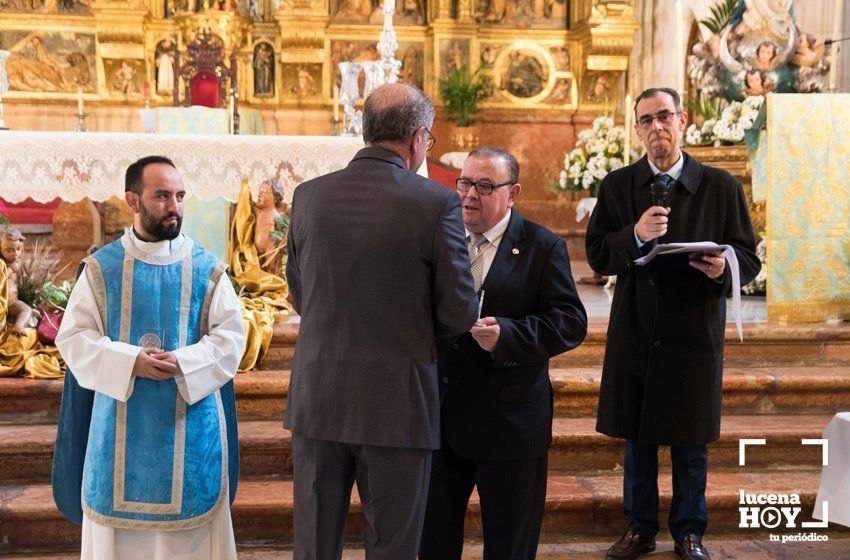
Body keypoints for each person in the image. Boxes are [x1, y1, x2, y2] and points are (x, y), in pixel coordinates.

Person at [285, 83, 479, 560]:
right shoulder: (435, 202)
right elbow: (459, 309)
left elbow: (300, 294)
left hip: (319, 397)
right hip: (398, 404)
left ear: (365, 131)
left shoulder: (308, 196)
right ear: (418, 138)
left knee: (313, 545)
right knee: (394, 547)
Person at [586, 87, 761, 560]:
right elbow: (598, 254)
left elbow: (748, 253)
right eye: (645, 120)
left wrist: (726, 268)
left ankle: (689, 531)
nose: (655, 127)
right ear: (637, 130)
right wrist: (635, 235)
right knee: (638, 440)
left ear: (682, 120)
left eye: (664, 116)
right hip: (638, 328)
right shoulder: (618, 186)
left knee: (690, 441)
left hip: (693, 330)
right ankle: (639, 528)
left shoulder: (721, 186)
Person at [52, 155, 246, 560]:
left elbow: (230, 339)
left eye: (179, 195)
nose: (174, 206)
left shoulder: (207, 269)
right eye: (161, 196)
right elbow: (73, 338)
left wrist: (184, 363)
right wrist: (130, 362)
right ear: (132, 201)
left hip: (188, 426)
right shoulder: (102, 269)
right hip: (118, 434)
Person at [419, 147, 588, 560]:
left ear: (512, 194)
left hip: (510, 426)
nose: (469, 195)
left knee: (509, 548)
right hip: (441, 422)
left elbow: (570, 322)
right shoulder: (438, 237)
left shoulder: (542, 246)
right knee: (433, 545)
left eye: (484, 186)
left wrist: (509, 336)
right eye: (464, 183)